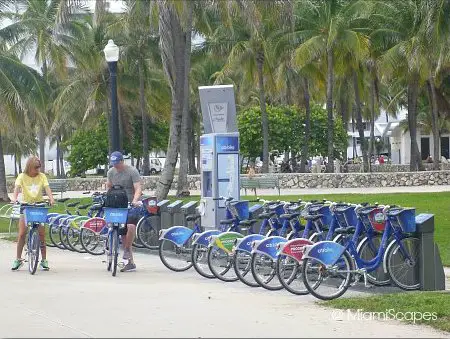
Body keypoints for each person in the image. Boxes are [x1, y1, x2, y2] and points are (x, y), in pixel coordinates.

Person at [11, 156, 55, 271]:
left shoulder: (42, 176)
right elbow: (17, 188)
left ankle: (44, 260)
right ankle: (18, 259)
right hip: (26, 205)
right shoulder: (22, 176)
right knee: (21, 234)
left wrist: (51, 199)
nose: (37, 170)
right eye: (35, 168)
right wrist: (15, 198)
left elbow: (47, 188)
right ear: (29, 167)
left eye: (38, 168)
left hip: (39, 205)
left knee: (41, 234)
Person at [106, 151, 142, 272]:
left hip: (131, 203)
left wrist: (135, 200)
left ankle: (126, 250)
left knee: (131, 226)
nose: (115, 165)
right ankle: (130, 262)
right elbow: (109, 187)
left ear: (122, 161)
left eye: (117, 163)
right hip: (117, 203)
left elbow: (138, 188)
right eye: (113, 163)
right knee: (122, 233)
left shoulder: (132, 171)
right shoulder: (111, 172)